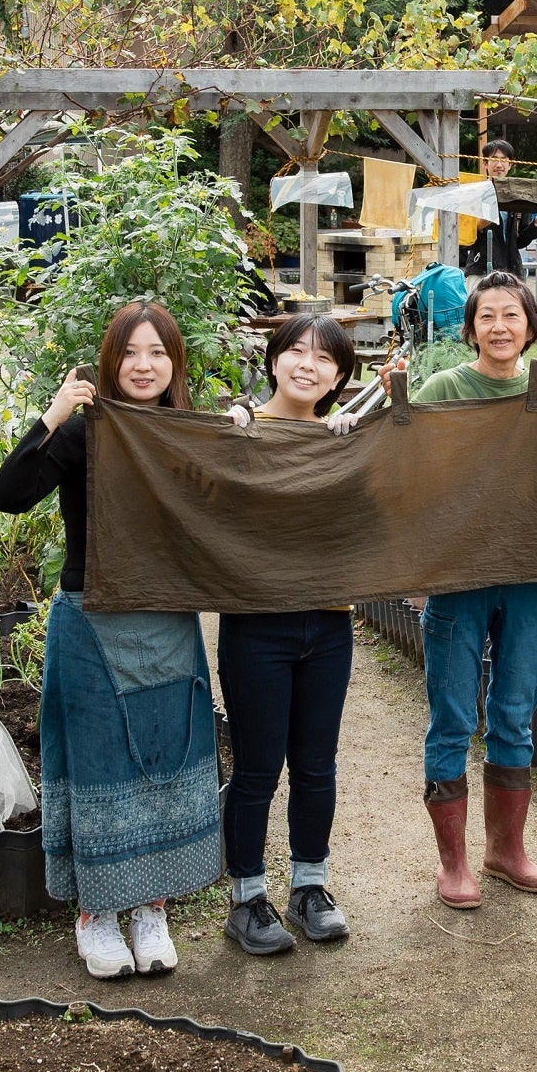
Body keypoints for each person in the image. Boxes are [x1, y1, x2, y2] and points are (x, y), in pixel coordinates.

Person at [0, 302, 220, 982]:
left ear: (175, 363)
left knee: (165, 754)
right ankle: (98, 914)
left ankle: (151, 908)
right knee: (100, 762)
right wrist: (53, 414)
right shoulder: (83, 433)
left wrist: (239, 429)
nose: (144, 366)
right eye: (130, 353)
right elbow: (8, 494)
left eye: (157, 352)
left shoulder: (187, 434)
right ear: (111, 362)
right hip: (91, 618)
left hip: (167, 618)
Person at [406, 271, 537, 908]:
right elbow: (410, 463)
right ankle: (453, 863)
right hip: (460, 574)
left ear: (531, 326)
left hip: (528, 574)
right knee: (451, 716)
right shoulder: (447, 387)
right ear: (471, 328)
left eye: (511, 315)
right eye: (486, 316)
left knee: (514, 710)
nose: (499, 327)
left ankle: (507, 851)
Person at [215, 313, 362, 955]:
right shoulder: (240, 430)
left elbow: (372, 518)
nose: (308, 365)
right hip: (255, 624)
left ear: (339, 376)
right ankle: (247, 899)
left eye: (325, 358)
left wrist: (356, 447)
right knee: (257, 767)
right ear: (273, 360)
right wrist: (231, 433)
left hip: (328, 622)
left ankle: (310, 888)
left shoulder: (343, 438)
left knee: (316, 764)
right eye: (297, 351)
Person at [463, 139, 537, 276]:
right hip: (481, 270)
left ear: (510, 164)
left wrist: (535, 227)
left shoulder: (518, 196)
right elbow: (463, 239)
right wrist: (478, 226)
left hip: (512, 272)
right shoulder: (475, 193)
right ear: (485, 163)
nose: (499, 165)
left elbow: (519, 242)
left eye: (504, 160)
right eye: (494, 159)